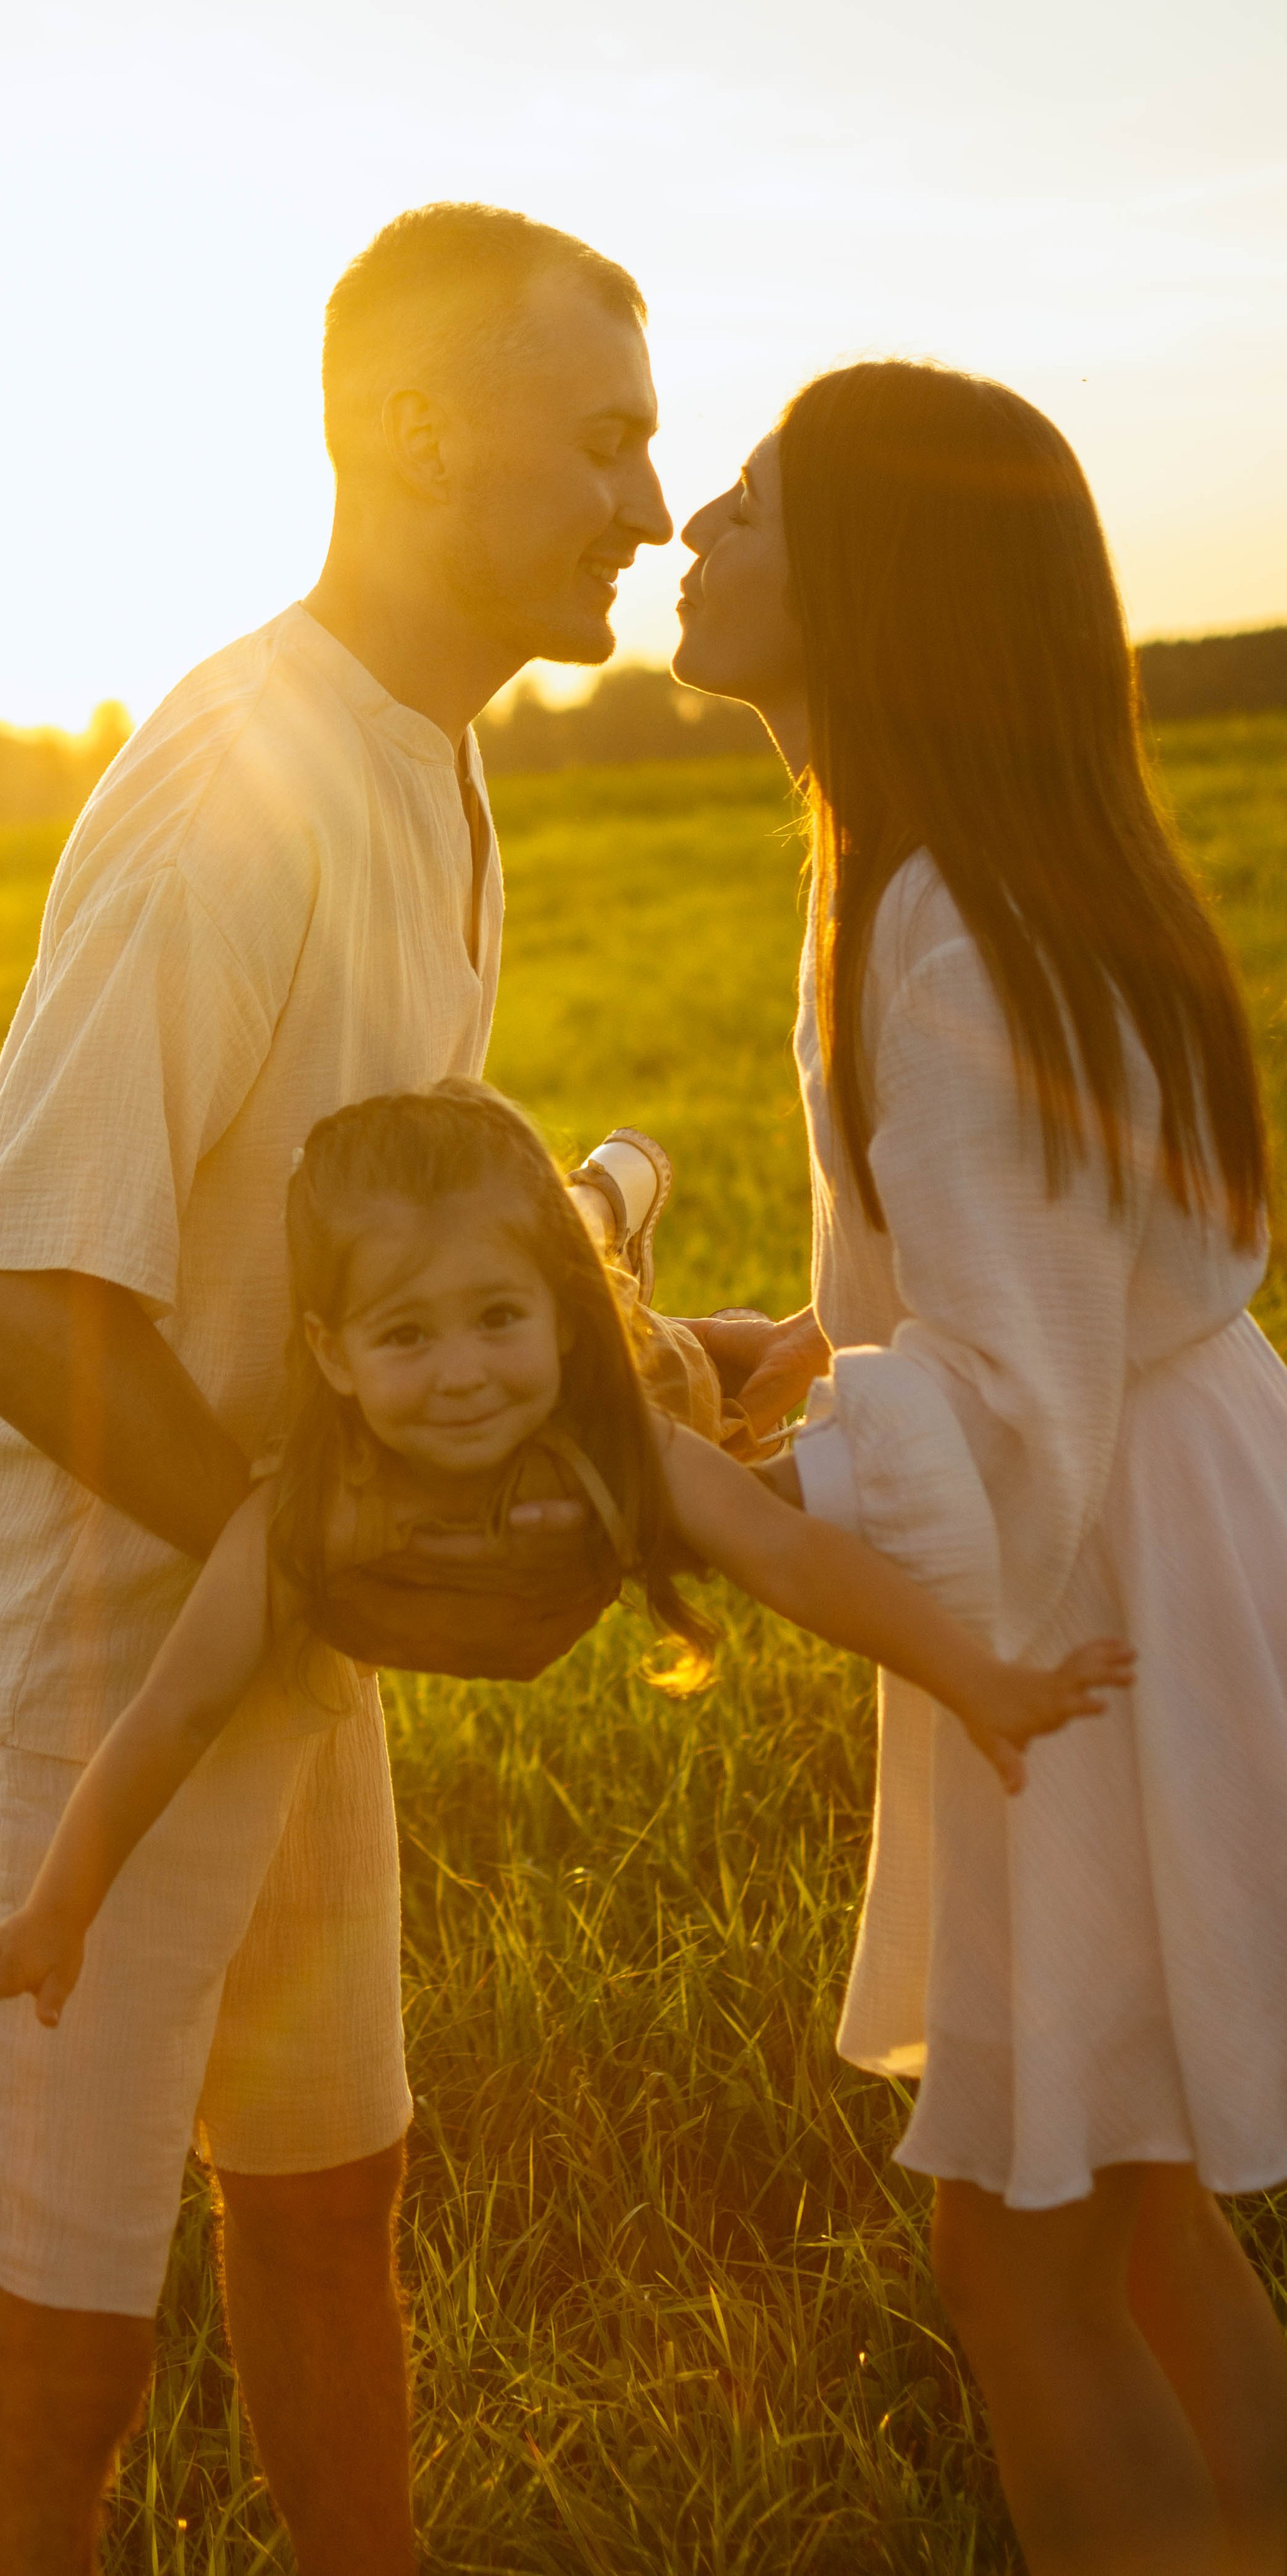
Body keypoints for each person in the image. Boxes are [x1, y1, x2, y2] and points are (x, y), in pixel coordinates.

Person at [0, 202, 681, 2576]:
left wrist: (619, 1374)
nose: (647, 503)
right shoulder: (238, 777)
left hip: (262, 1625)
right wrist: (360, 1551)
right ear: (414, 432)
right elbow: (13, 1299)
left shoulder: (428, 760)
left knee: (335, 2201)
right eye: (608, 441)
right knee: (57, 2352)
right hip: (79, 1669)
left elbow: (365, 1260)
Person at [674, 358, 1287, 2576]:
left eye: (743, 503)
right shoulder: (927, 877)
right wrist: (779, 1359)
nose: (687, 534)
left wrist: (725, 1499)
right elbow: (974, 1306)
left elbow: (1014, 1420)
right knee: (1126, 2214)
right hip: (1142, 1529)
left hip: (1094, 1588)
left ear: (873, 581)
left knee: (1024, 2254)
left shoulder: (949, 929)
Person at [0, 1078, 1129, 2029]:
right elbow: (173, 1711)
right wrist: (54, 1914)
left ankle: (626, 1227)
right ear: (329, 1355)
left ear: (539, 1317)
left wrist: (977, 1678)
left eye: (496, 1321)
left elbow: (785, 1555)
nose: (463, 1375)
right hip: (568, 1309)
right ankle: (601, 1199)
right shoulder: (298, 1513)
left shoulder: (620, 1426)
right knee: (571, 1233)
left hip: (639, 1355)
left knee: (692, 1361)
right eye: (406, 1337)